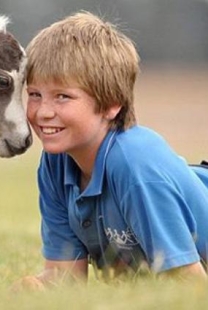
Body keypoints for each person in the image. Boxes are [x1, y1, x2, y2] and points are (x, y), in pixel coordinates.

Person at [13, 11, 208, 291]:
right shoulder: (55, 163)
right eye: (34, 94)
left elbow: (192, 290)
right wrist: (35, 289)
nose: (43, 112)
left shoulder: (134, 165)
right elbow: (67, 280)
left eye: (63, 96)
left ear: (110, 105)